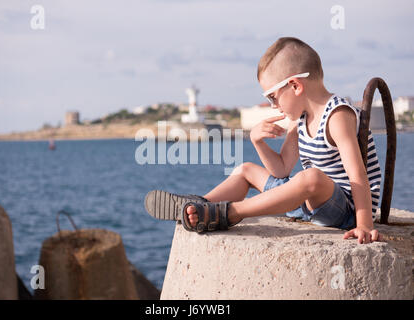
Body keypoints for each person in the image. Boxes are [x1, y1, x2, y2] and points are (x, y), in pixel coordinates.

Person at [144, 37, 382, 244]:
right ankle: (200, 206)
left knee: (310, 178)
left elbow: (357, 176)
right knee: (246, 169)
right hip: (310, 203)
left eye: (272, 97)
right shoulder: (300, 120)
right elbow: (281, 169)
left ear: (295, 86)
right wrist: (257, 141)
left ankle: (232, 212)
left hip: (346, 210)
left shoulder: (338, 115)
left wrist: (363, 224)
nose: (273, 105)